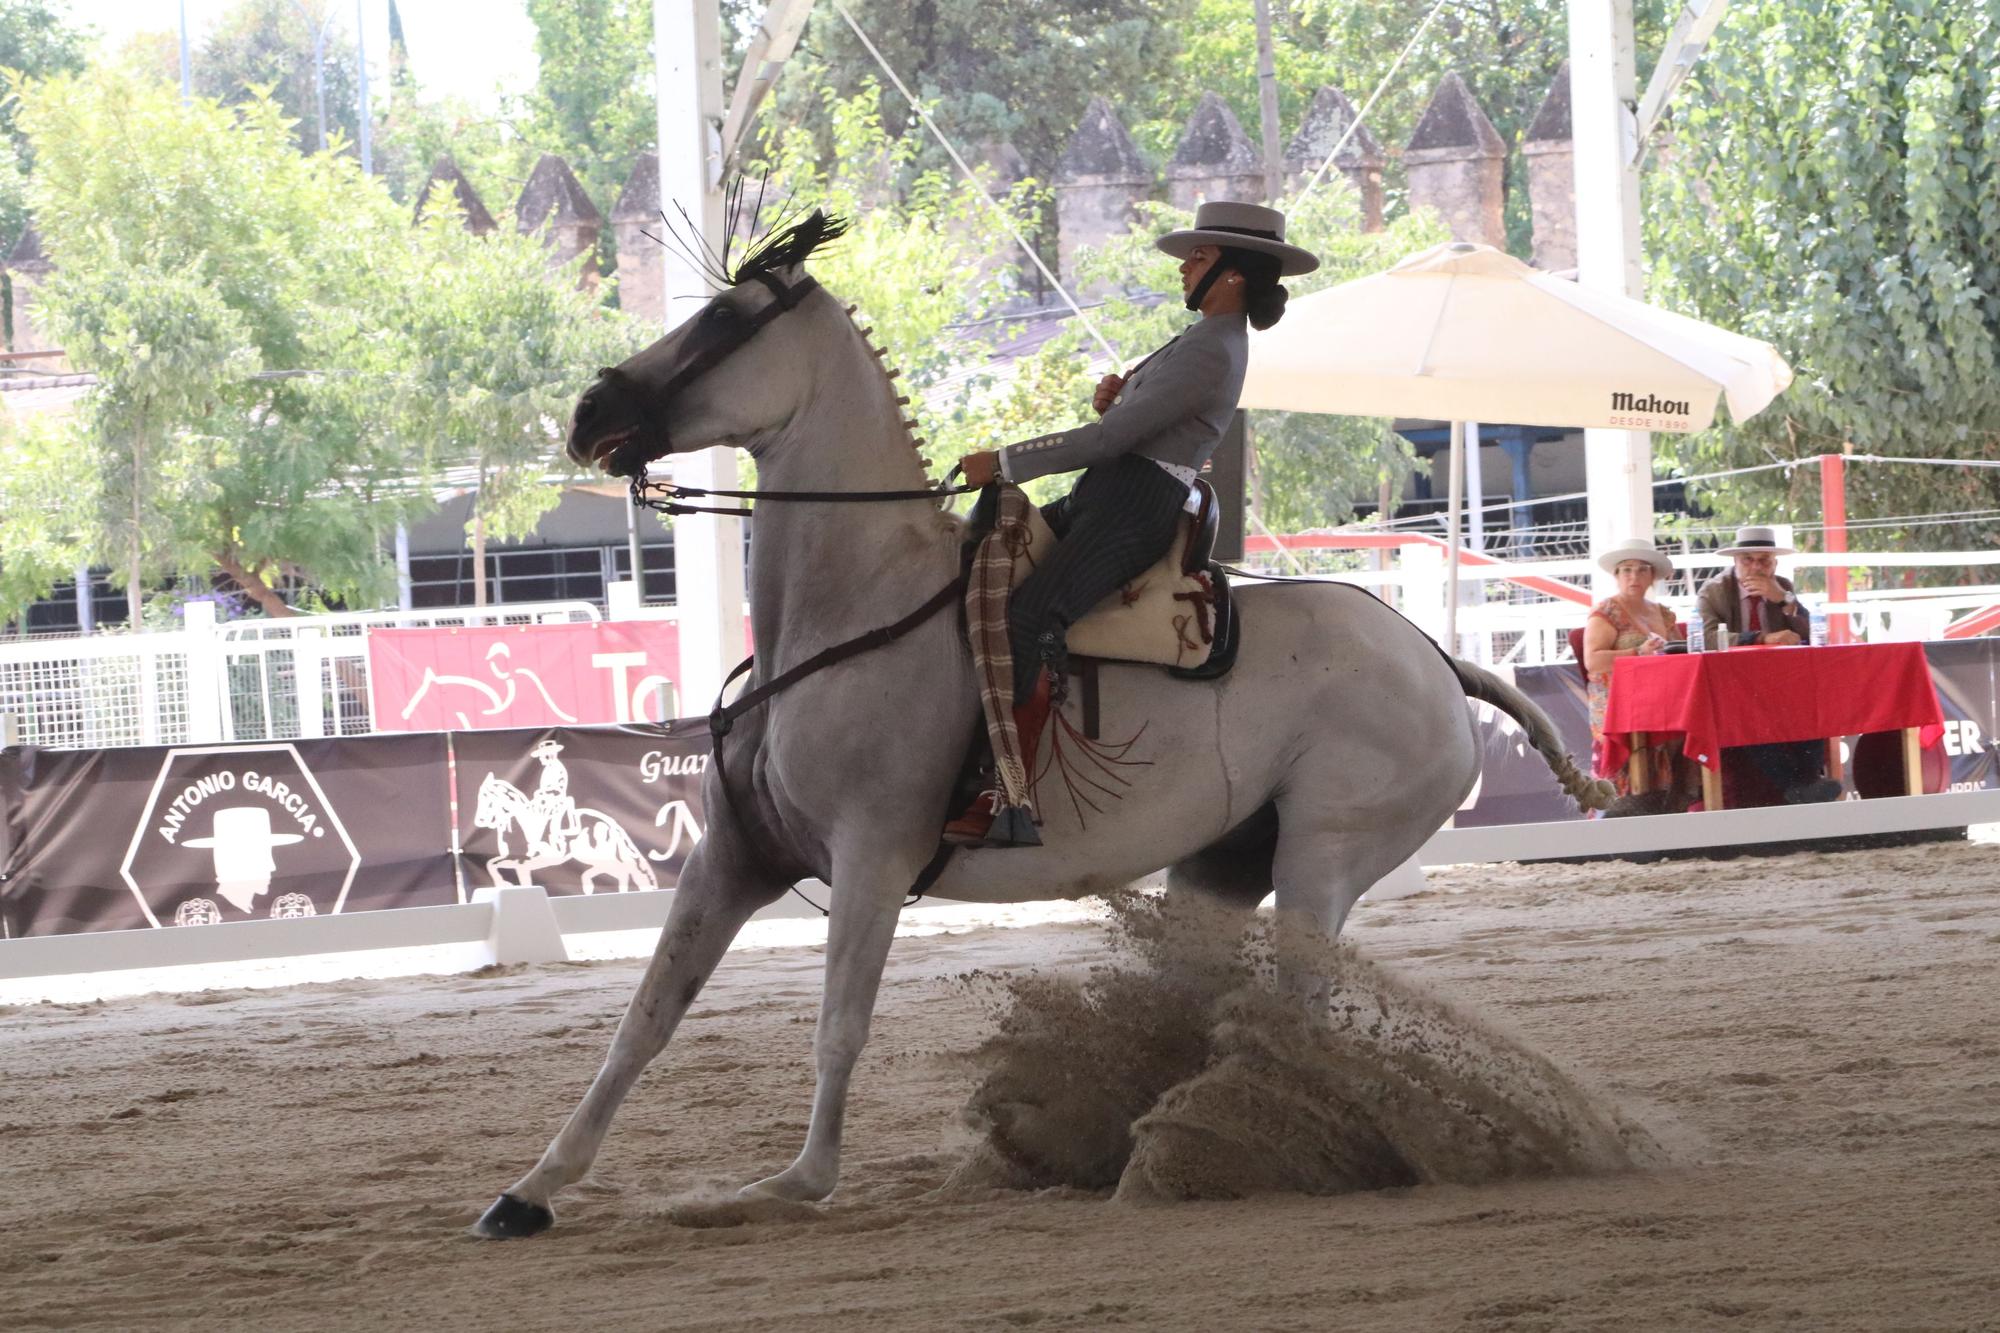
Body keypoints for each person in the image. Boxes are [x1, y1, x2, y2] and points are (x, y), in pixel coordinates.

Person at [945, 201, 1319, 843]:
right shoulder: (1203, 339)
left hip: (1134, 503)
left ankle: (1005, 795)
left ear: (1231, 276)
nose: (1184, 268)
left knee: (1032, 616)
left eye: (1198, 258)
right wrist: (1121, 400)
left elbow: (1107, 442)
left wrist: (1006, 462)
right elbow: (1137, 423)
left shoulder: (1212, 348)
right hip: (1112, 491)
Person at [1696, 525, 1841, 803]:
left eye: (1764, 560)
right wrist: (1762, 638)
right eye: (1747, 560)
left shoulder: (1782, 587)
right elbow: (1707, 637)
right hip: (1733, 687)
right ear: (1735, 562)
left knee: (1809, 700)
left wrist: (1785, 602)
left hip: (1779, 684)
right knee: (1753, 711)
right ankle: (1798, 786)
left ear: (1774, 564)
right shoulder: (1713, 591)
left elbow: (1814, 633)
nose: (1755, 568)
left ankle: (1808, 784)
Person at [1583, 538, 1693, 815]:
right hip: (1616, 703)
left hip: (1660, 699)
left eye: (1642, 569)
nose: (1634, 576)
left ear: (1652, 576)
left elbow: (1680, 653)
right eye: (1627, 570)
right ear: (1616, 576)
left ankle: (1675, 805)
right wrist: (1637, 652)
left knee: (1692, 726)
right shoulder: (1606, 612)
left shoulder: (1664, 614)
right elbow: (1593, 660)